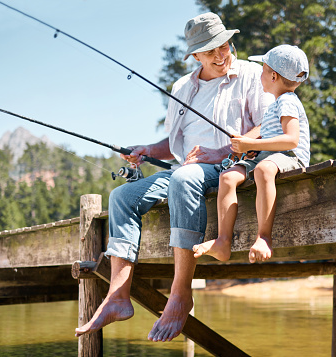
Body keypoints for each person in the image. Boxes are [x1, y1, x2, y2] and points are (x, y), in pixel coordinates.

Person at [74, 12, 274, 341]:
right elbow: (174, 143)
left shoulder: (251, 75)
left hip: (231, 165)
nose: (222, 55)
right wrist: (147, 150)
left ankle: (180, 292)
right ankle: (118, 296)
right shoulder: (182, 87)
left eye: (224, 45)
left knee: (185, 178)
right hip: (186, 169)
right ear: (195, 55)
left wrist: (222, 152)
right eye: (211, 51)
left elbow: (266, 127)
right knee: (121, 197)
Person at [193, 44, 310, 264]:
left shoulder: (287, 102)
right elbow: (269, 138)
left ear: (273, 76)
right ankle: (223, 242)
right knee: (227, 177)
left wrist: (250, 143)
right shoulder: (276, 105)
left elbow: (291, 140)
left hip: (291, 156)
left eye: (263, 70)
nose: (260, 75)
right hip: (268, 155)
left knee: (264, 170)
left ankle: (263, 237)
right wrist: (253, 147)